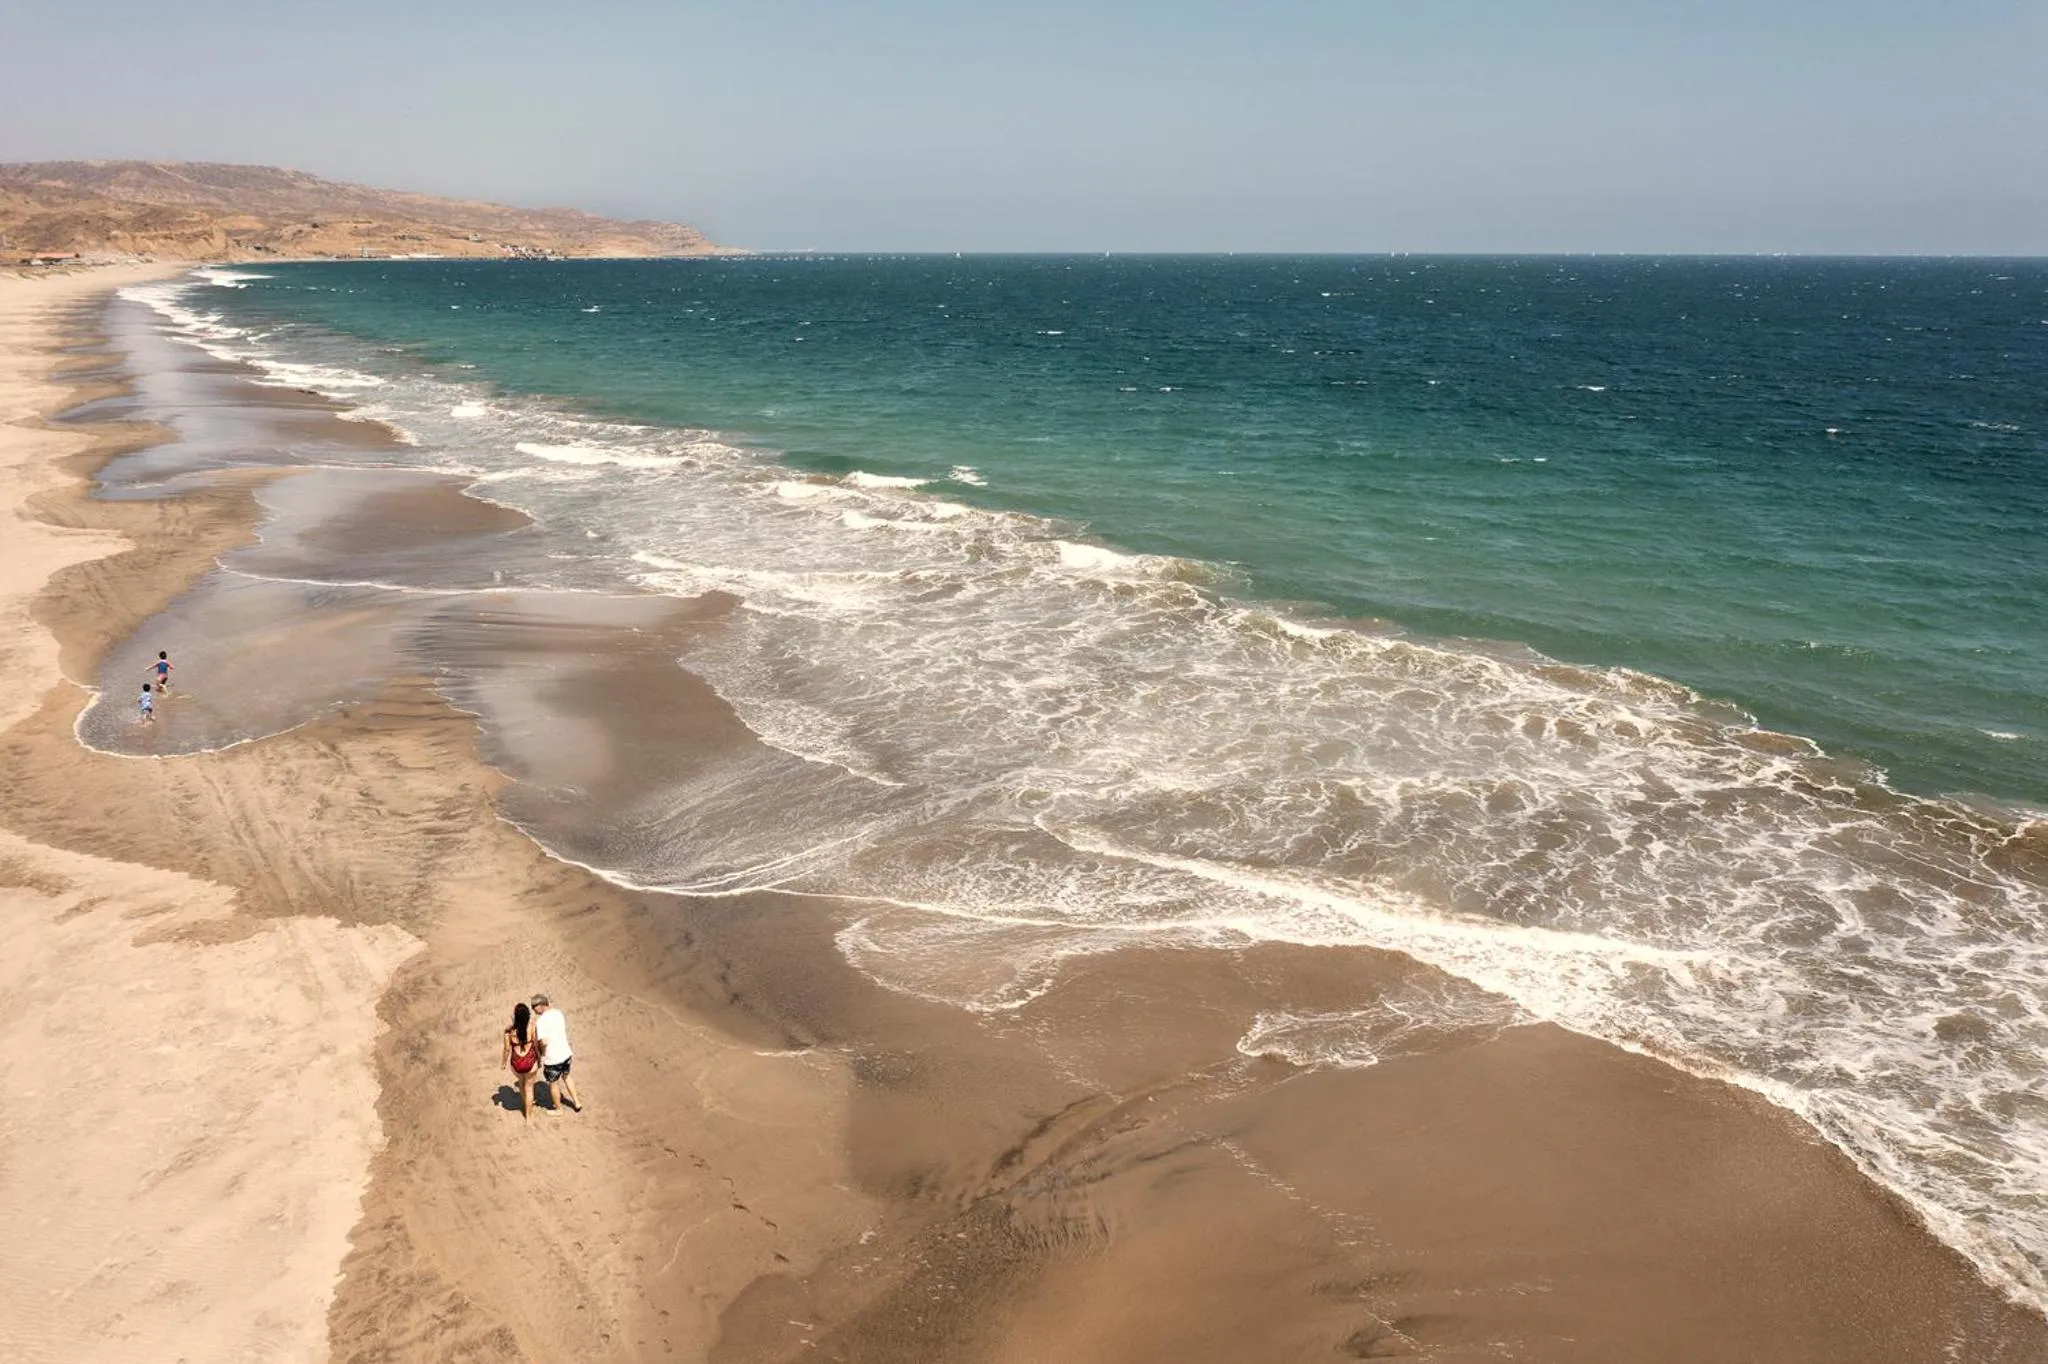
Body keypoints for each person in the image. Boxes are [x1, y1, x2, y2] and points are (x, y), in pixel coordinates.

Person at [530, 993, 579, 1112]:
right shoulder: (558, 1012)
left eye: (533, 1007)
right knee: (567, 1077)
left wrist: (541, 1053)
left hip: (553, 1058)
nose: (533, 1010)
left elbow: (543, 1042)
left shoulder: (541, 1021)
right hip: (565, 1052)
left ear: (540, 1005)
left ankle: (558, 1109)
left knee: (553, 1083)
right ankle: (577, 1102)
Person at [502, 1001, 541, 1119]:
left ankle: (525, 1107)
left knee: (521, 1084)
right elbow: (536, 1045)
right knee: (529, 1088)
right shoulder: (532, 1026)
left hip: (516, 1063)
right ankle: (528, 1116)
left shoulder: (509, 1031)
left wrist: (503, 1063)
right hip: (530, 1062)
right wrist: (539, 1059)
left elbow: (507, 1049)